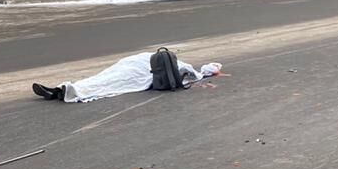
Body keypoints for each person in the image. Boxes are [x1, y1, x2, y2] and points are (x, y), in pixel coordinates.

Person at [33, 50, 221, 103]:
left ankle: (65, 90)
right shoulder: (180, 66)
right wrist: (201, 73)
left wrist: (201, 73)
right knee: (105, 80)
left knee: (105, 82)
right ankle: (63, 90)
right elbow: (195, 74)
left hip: (132, 68)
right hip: (131, 66)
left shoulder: (176, 64)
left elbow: (195, 74)